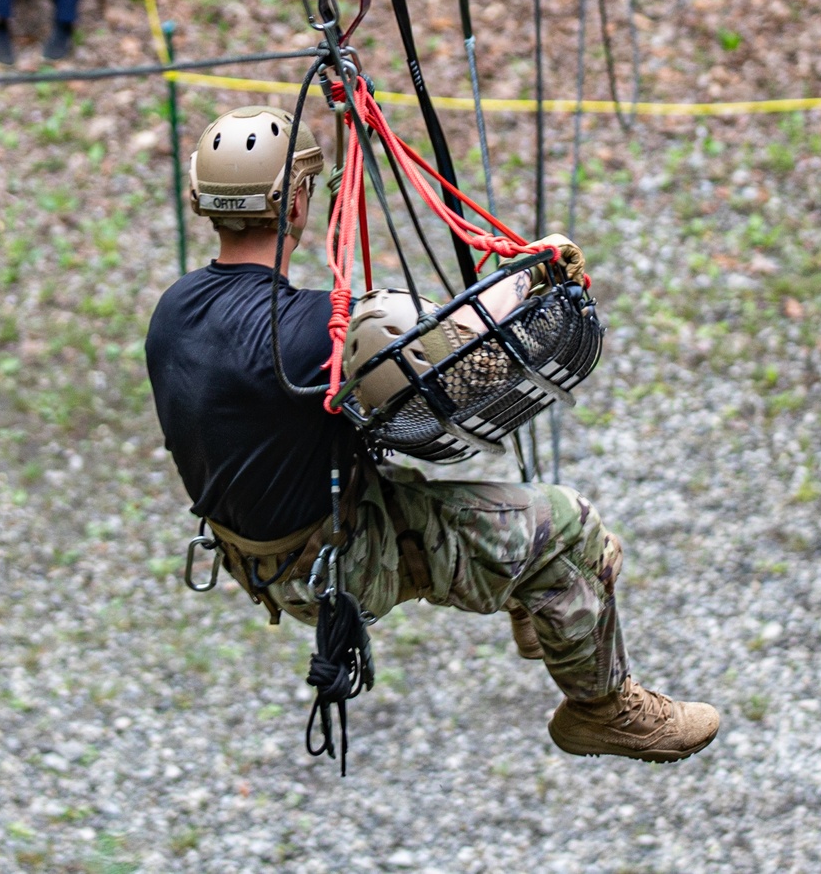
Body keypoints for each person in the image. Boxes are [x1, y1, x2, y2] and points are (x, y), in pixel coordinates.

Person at [146, 106, 721, 764]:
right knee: (571, 530)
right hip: (343, 560)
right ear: (297, 201)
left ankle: (541, 605)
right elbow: (453, 346)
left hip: (258, 556)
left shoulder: (173, 311)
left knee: (529, 536)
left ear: (203, 201)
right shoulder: (302, 333)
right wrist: (531, 272)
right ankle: (603, 708)